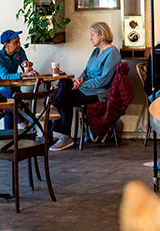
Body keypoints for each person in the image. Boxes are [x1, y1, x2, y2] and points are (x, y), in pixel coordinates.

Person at [49, 22, 121, 151]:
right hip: (85, 89)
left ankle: (63, 133)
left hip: (98, 93)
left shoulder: (112, 52)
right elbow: (86, 72)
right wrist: (80, 79)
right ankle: (56, 113)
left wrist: (82, 84)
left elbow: (104, 80)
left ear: (101, 35)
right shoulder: (95, 52)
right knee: (64, 82)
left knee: (63, 97)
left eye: (93, 35)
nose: (90, 38)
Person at [0, 29, 38, 128]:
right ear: (6, 44)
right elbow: (5, 76)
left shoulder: (19, 52)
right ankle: (24, 123)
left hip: (13, 89)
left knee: (12, 99)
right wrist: (24, 75)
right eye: (16, 42)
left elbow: (27, 70)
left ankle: (11, 136)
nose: (19, 44)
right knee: (12, 98)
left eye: (19, 41)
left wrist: (27, 66)